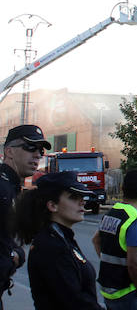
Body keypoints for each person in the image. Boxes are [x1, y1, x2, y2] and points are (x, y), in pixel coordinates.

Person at [16, 170, 103, 309]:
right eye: (73, 197)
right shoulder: (51, 246)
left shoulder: (62, 238)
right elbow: (74, 302)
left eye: (82, 196)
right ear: (52, 206)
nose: (82, 202)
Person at [0, 124, 51, 306]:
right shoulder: (3, 188)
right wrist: (10, 258)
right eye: (30, 147)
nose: (37, 154)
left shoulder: (11, 187)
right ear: (9, 152)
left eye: (40, 150)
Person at [93, 170, 137, 309]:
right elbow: (134, 264)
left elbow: (95, 240)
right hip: (128, 293)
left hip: (110, 290)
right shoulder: (134, 221)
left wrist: (110, 265)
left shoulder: (111, 213)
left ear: (122, 189)